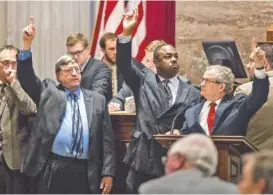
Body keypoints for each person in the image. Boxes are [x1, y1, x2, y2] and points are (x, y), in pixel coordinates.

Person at [17, 17, 116, 194]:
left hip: (86, 170)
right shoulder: (49, 92)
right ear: (58, 76)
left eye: (77, 69)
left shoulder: (96, 100)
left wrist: (108, 172)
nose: (74, 73)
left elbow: (107, 141)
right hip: (55, 167)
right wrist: (26, 44)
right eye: (68, 70)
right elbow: (26, 77)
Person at [117, 9, 200, 192]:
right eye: (167, 57)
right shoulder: (143, 80)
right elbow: (123, 63)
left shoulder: (192, 92)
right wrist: (127, 33)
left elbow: (194, 124)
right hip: (144, 157)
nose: (173, 60)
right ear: (155, 62)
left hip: (176, 158)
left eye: (175, 56)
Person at [179, 47, 269, 136]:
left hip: (228, 150)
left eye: (207, 81)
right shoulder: (191, 111)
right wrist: (176, 134)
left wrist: (259, 68)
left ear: (221, 87)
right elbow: (184, 136)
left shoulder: (237, 105)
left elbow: (259, 97)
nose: (201, 84)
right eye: (202, 80)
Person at [139, 134, 237, 194]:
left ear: (179, 159)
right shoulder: (231, 191)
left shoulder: (150, 190)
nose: (165, 167)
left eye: (166, 160)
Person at [0, 45, 36, 194]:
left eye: (13, 63)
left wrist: (14, 83)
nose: (9, 67)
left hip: (14, 159)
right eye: (5, 63)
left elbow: (30, 109)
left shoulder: (25, 84)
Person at [235, 39, 273, 149]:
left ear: (263, 63)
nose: (247, 66)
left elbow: (235, 128)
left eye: (252, 61)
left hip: (255, 156)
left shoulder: (244, 90)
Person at [66, 33, 112, 101]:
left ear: (88, 49)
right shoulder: (68, 69)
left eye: (78, 52)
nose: (75, 57)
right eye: (71, 53)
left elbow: (97, 96)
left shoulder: (101, 68)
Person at [99, 32, 124, 96]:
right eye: (111, 49)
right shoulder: (96, 71)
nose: (115, 52)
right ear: (103, 50)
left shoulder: (126, 70)